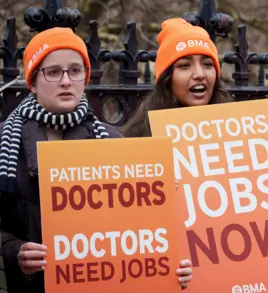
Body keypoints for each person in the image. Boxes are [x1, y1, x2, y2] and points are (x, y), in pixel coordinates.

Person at [0, 27, 192, 293]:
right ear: (33, 81)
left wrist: (172, 264)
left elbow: (142, 234)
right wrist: (14, 250)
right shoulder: (5, 142)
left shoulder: (112, 140)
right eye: (53, 72)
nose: (66, 81)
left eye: (75, 71)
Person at [122, 18, 233, 138]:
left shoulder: (236, 128)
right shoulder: (140, 136)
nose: (200, 74)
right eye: (185, 65)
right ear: (167, 78)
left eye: (207, 64)